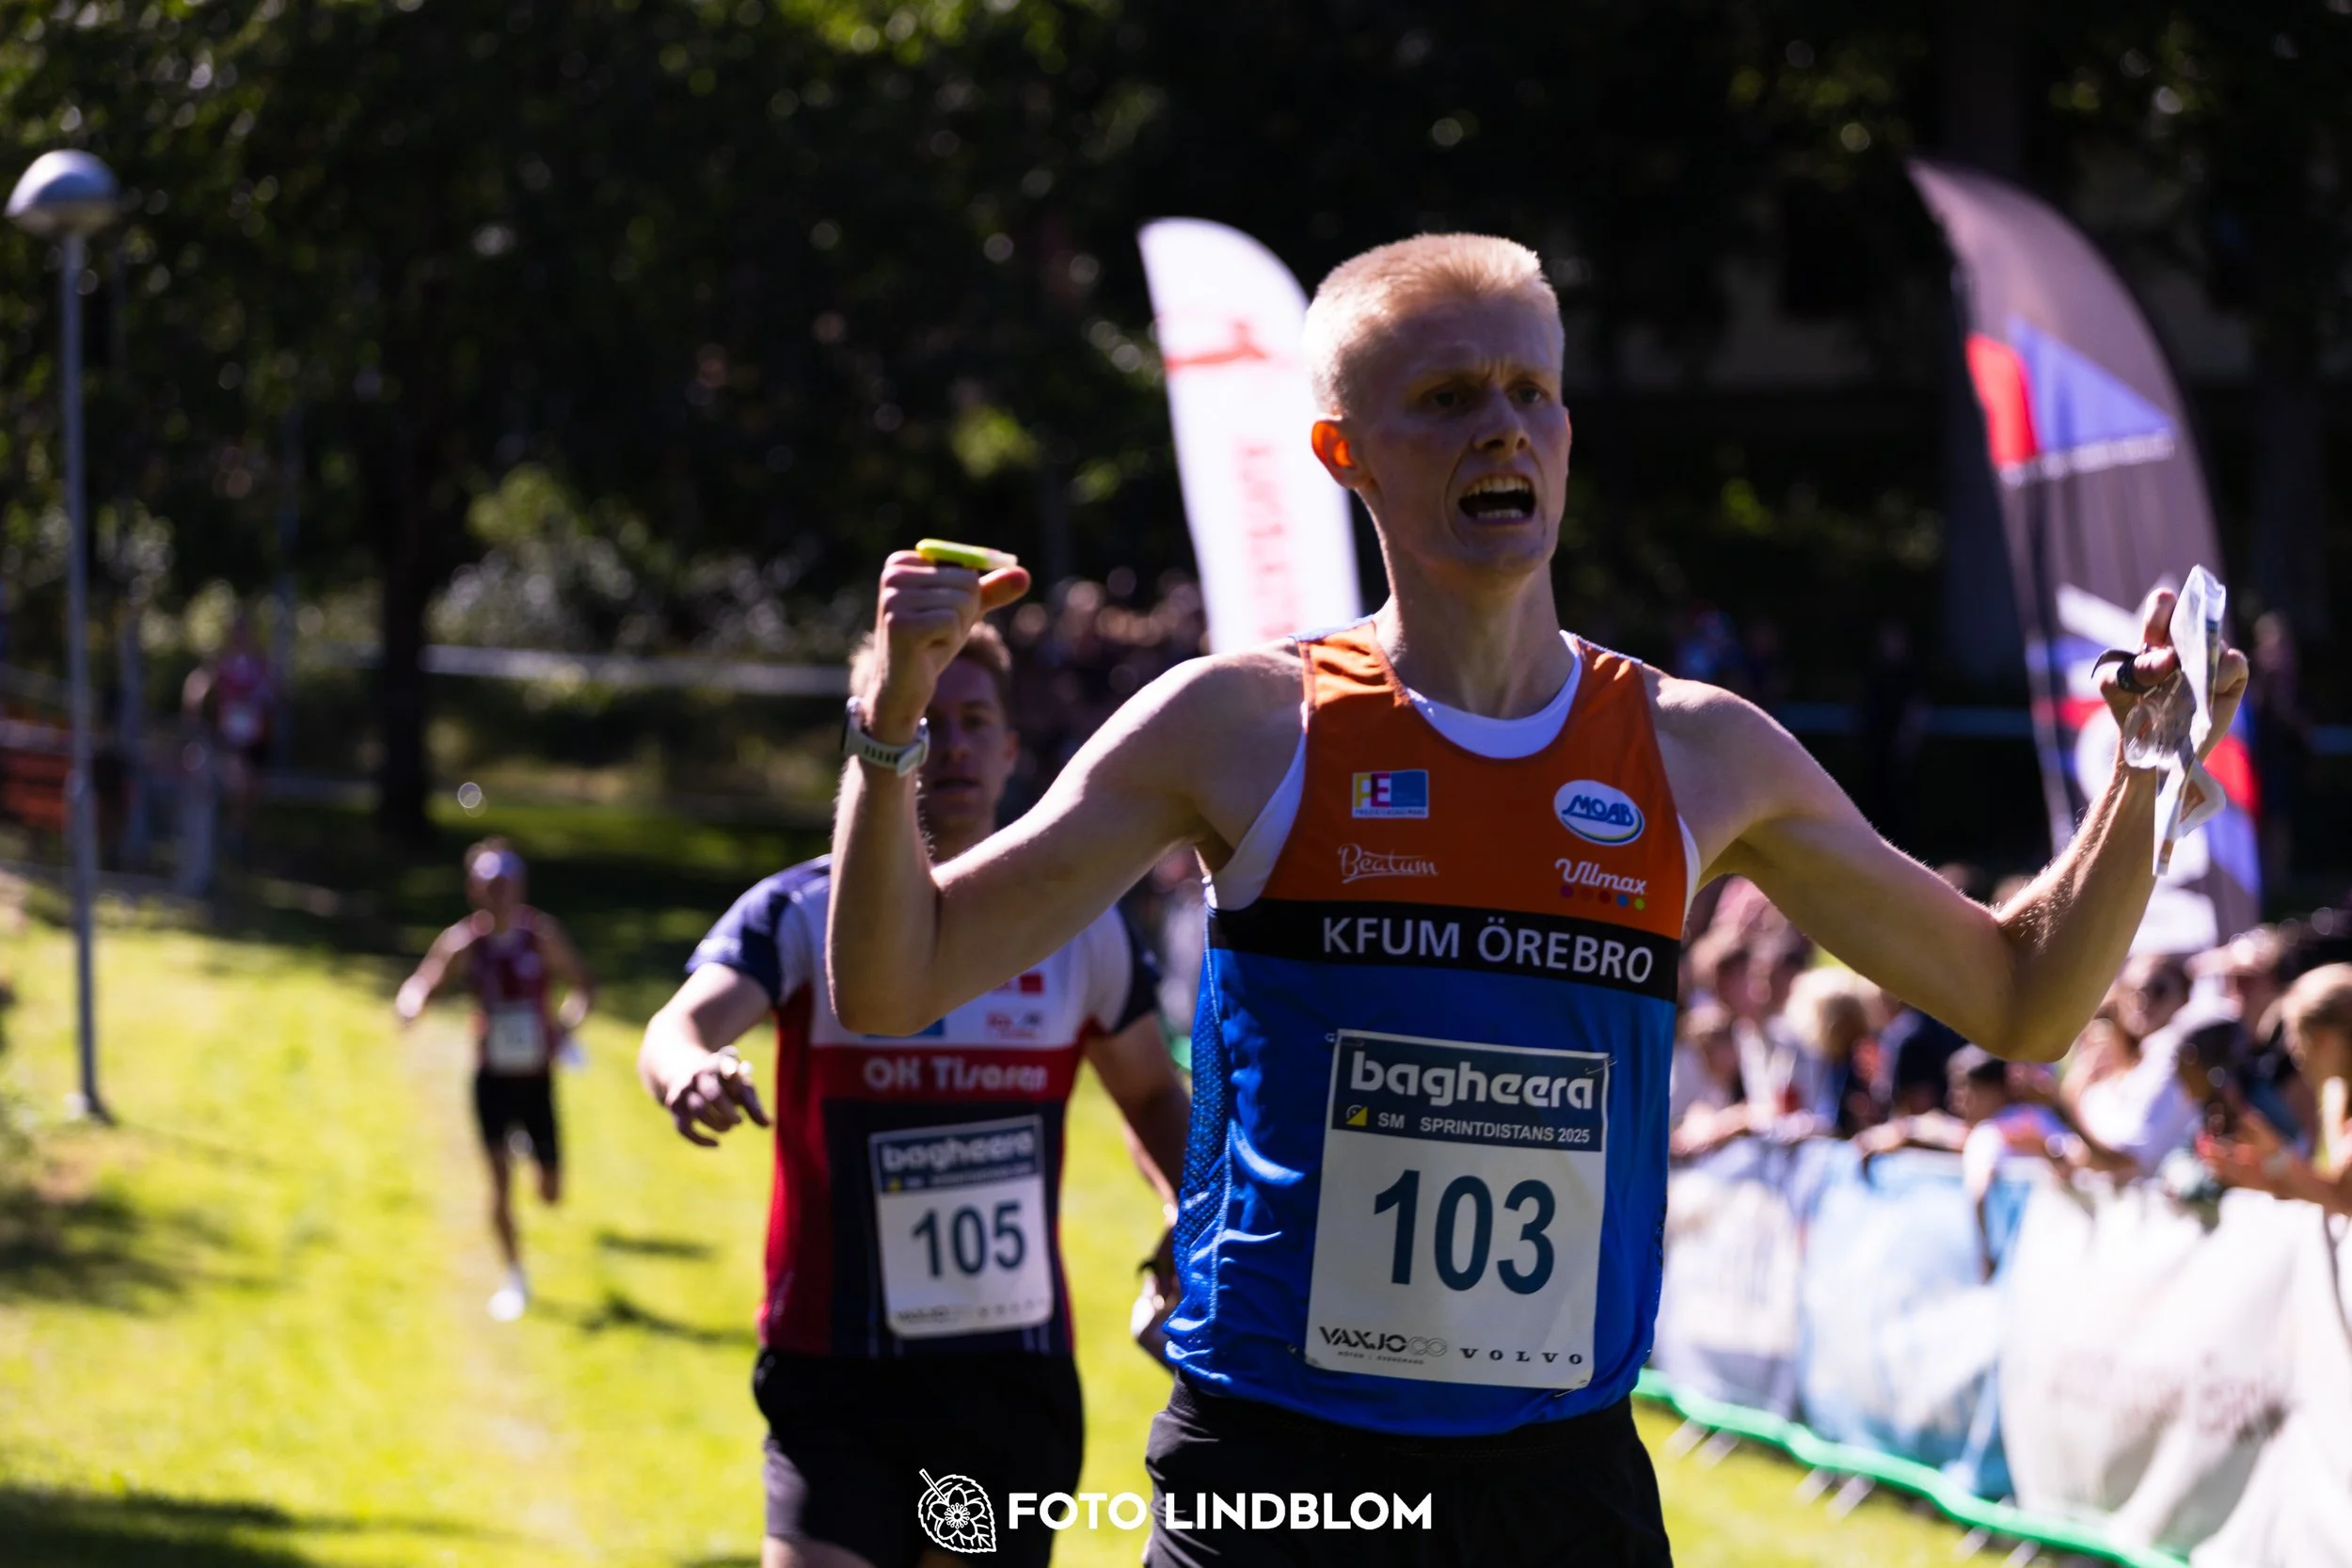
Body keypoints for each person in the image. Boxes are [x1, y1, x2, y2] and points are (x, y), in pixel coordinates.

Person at [824, 233, 2246, 1567]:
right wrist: (889, 728)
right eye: (1444, 398)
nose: (1502, 427)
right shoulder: (1243, 725)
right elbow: (896, 982)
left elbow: (2023, 994)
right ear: (1344, 453)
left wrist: (2141, 770)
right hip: (1280, 1461)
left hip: (1556, 1476)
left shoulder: (1700, 751)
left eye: (1531, 392)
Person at [636, 620, 1189, 1568]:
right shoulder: (801, 912)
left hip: (1004, 1376)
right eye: (926, 720)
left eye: (977, 720)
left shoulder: (1080, 931)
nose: (955, 744)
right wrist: (691, 1070)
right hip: (835, 1367)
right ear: (873, 732)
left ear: (1012, 749)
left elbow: (1151, 1095)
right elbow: (675, 1026)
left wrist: (1197, 1219)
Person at [395, 840, 596, 1321]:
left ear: (519, 888)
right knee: (499, 1184)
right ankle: (515, 1278)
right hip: (492, 1079)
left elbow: (584, 984)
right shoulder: (465, 942)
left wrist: (563, 1029)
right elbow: (426, 979)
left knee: (549, 1192)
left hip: (536, 1079)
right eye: (488, 886)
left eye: (505, 885)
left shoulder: (540, 936)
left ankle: (532, 1148)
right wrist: (410, 1003)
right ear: (474, 890)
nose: (497, 895)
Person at [181, 609, 276, 853]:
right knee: (239, 782)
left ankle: (240, 831)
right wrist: (194, 708)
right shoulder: (223, 663)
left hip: (255, 736)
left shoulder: (261, 664)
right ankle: (230, 835)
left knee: (251, 788)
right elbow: (199, 684)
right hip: (230, 736)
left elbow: (276, 695)